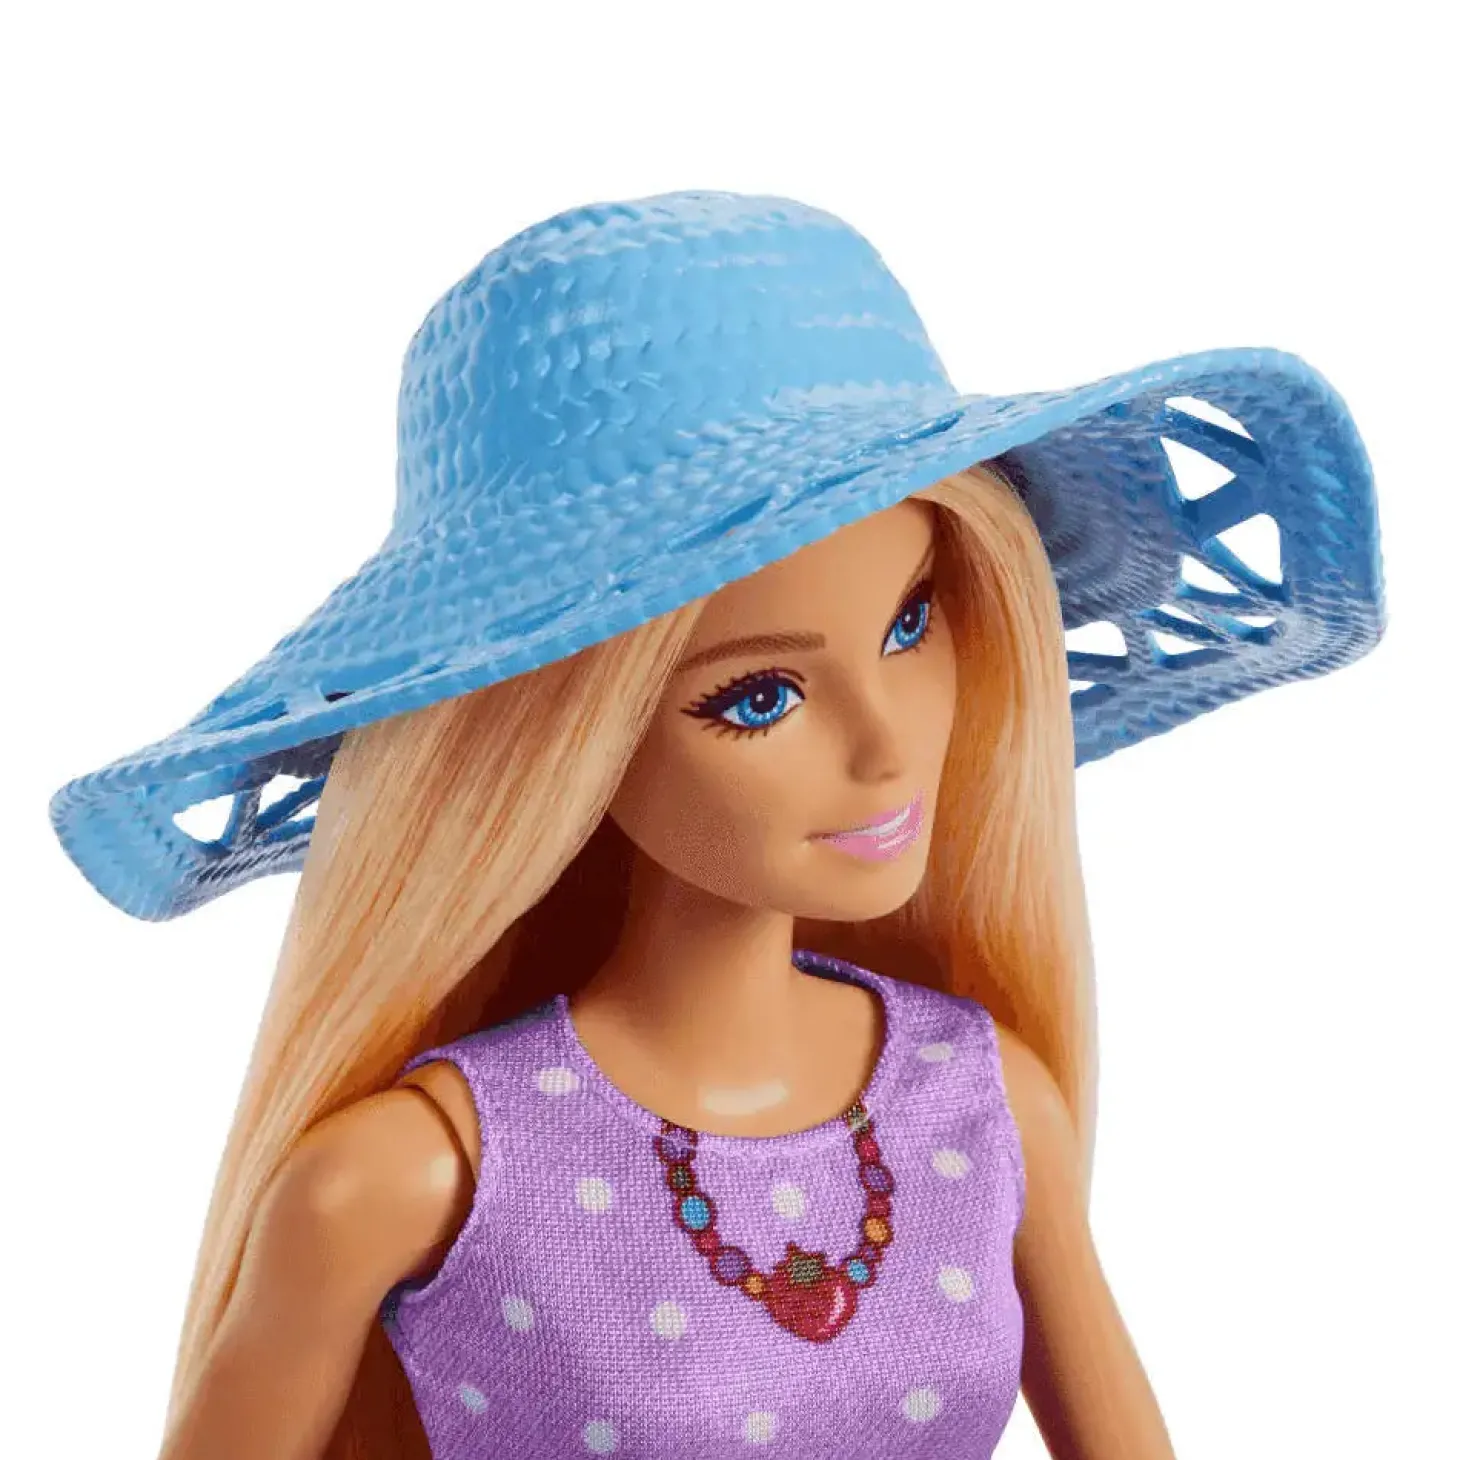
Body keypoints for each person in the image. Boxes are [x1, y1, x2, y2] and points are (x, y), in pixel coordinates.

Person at [48, 189, 1384, 1459]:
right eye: (758, 698)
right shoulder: (405, 1178)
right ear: (561, 743)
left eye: (911, 623)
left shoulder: (984, 1104)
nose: (886, 746)